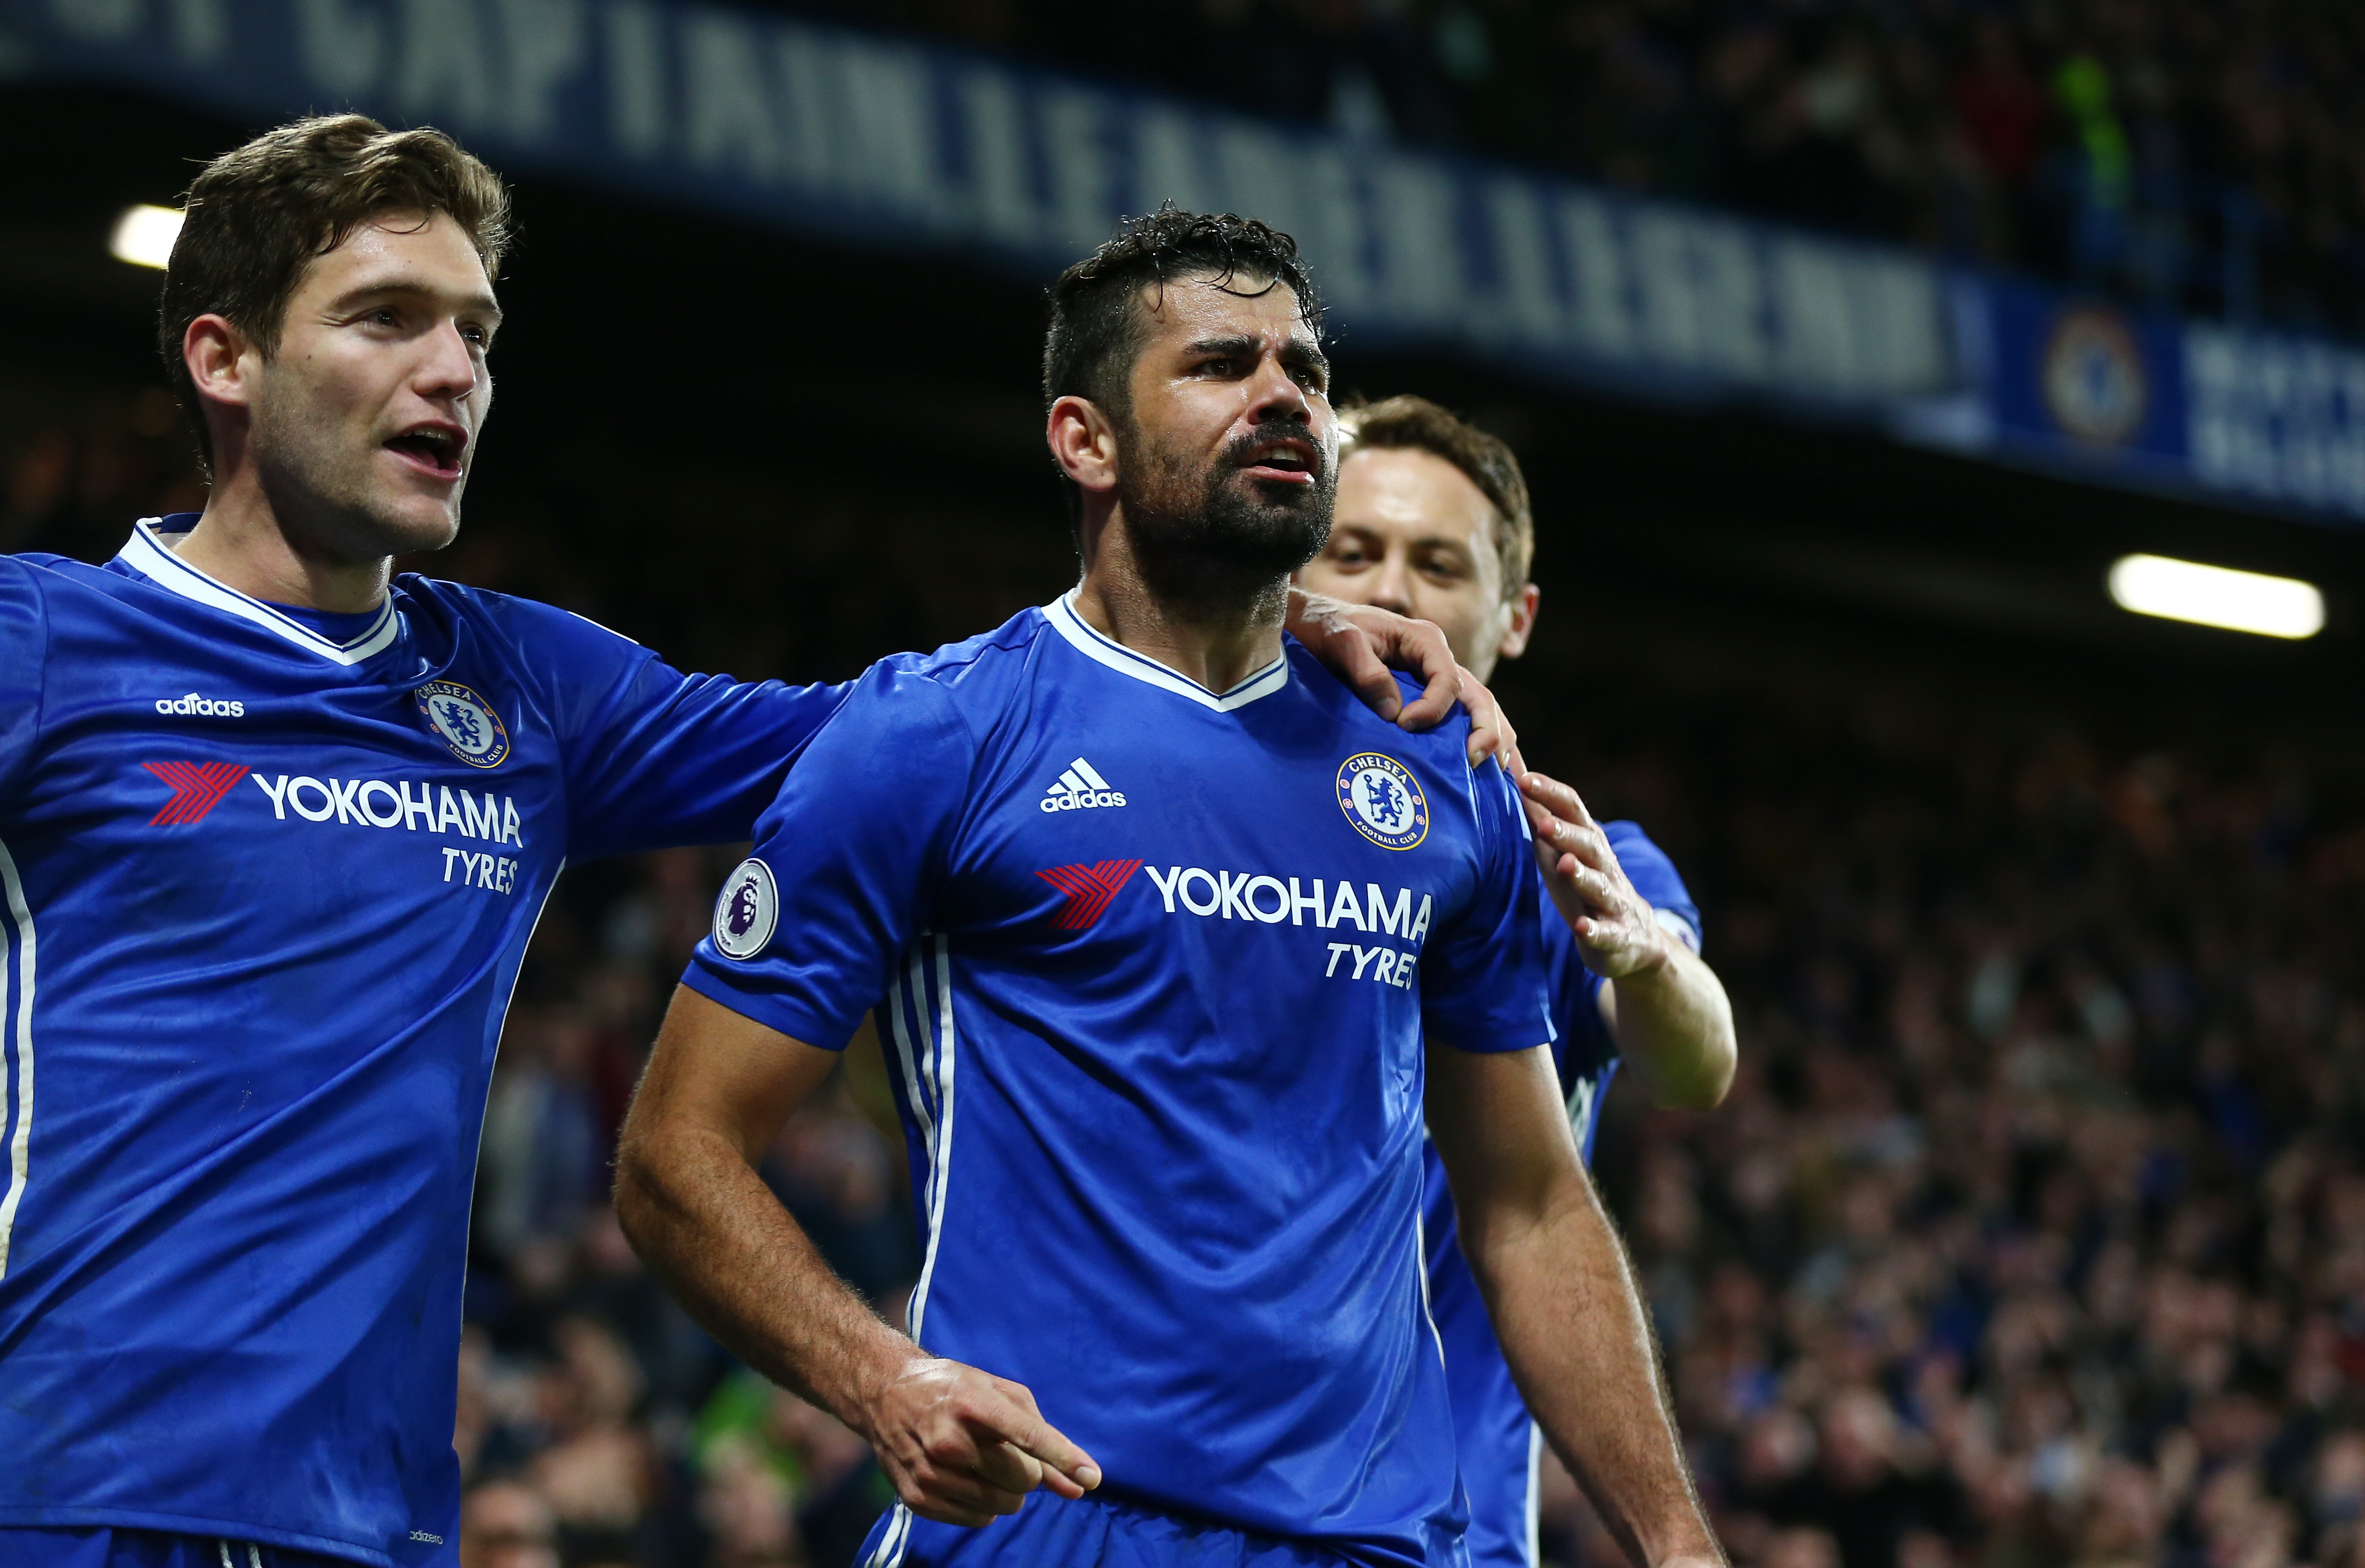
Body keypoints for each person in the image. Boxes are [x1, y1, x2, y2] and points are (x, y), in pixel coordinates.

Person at [0, 119, 1493, 1568]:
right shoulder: (46, 644)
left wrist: (1262, 612)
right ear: (224, 360)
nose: (452, 371)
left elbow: (967, 729)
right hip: (55, 1483)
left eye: (476, 331)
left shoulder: (523, 689)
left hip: (367, 1514)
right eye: (387, 320)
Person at [611, 208, 1722, 1568]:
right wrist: (878, 1377)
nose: (1283, 400)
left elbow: (1530, 1204)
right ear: (1085, 440)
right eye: (1219, 365)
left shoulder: (1448, 769)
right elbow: (676, 1155)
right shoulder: (938, 735)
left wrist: (1677, 1545)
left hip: (1374, 1546)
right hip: (1045, 1529)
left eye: (1303, 372)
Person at [1295, 395, 1739, 1568]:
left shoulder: (1571, 853)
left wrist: (1643, 955)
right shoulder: (1190, 819)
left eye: (1438, 563)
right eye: (1354, 550)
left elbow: (1695, 1060)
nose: (1391, 589)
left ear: (1515, 615)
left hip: (1446, 1536)